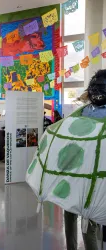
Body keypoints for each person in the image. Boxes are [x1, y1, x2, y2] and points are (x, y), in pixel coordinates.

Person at [64, 70, 106, 250]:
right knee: (90, 221)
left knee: (70, 213)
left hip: (74, 170)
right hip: (95, 175)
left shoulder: (81, 113)